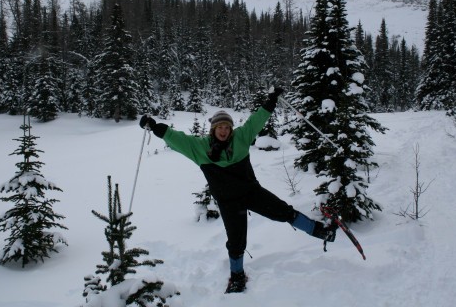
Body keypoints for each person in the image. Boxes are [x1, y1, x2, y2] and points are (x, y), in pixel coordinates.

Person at [139, 88, 337, 294]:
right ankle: (237, 277)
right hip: (228, 203)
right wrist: (154, 126)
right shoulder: (199, 148)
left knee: (284, 212)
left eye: (227, 127)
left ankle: (320, 231)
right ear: (213, 129)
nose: (224, 130)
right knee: (236, 241)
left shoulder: (241, 139)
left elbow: (256, 121)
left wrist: (271, 101)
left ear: (231, 129)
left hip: (252, 192)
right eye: (220, 127)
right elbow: (176, 137)